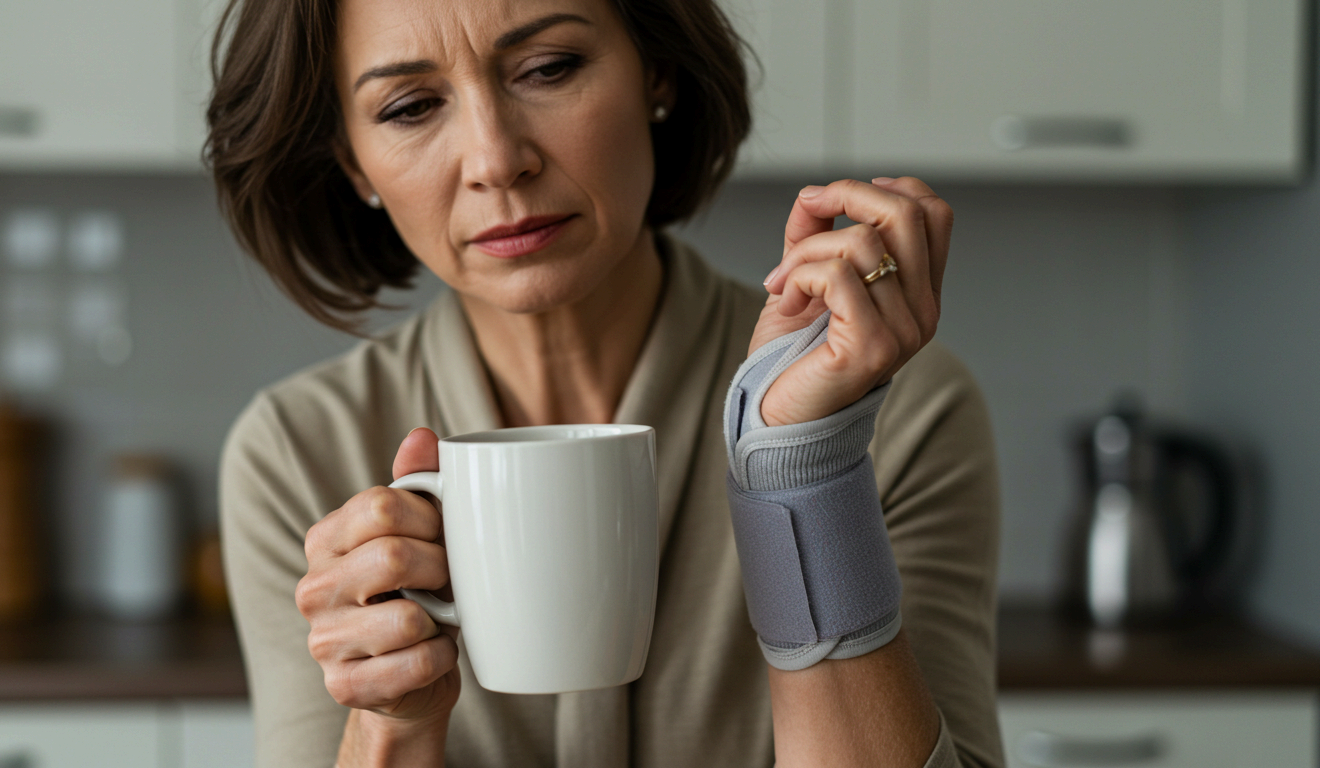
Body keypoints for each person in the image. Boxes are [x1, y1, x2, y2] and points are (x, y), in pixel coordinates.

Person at [208, 0, 1002, 766]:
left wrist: (804, 471)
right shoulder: (295, 454)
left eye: (549, 68)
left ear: (657, 71)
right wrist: (390, 724)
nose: (495, 160)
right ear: (354, 161)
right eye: (411, 107)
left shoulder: (896, 411)